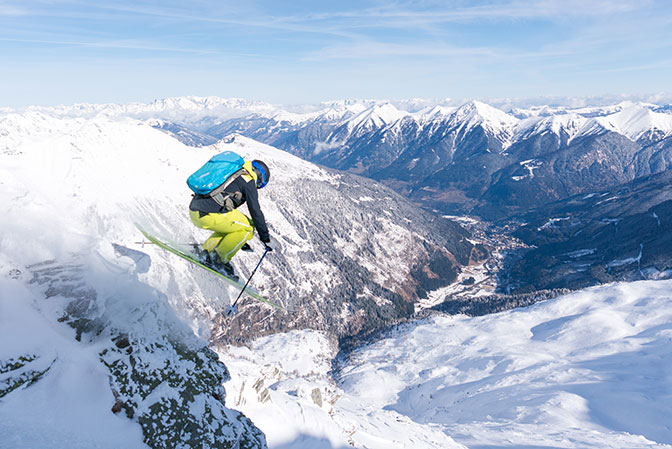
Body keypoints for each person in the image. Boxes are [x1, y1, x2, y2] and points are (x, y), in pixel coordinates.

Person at [189, 158, 273, 278]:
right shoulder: (248, 181)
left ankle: (206, 250)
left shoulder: (235, 171)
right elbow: (256, 211)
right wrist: (265, 238)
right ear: (260, 177)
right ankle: (219, 260)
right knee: (248, 228)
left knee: (232, 225)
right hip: (210, 214)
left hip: (195, 211)